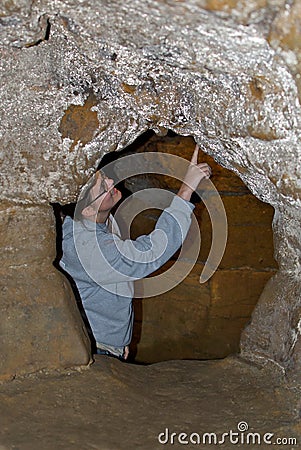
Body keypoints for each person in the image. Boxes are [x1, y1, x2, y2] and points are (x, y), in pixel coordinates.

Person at [59, 145, 211, 361]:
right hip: (95, 349)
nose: (111, 182)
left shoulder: (98, 222)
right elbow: (148, 254)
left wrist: (120, 342)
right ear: (87, 209)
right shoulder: (87, 247)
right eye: (102, 186)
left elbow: (114, 285)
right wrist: (186, 190)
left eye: (104, 177)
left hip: (106, 344)